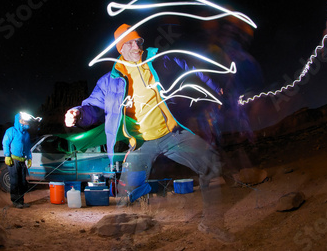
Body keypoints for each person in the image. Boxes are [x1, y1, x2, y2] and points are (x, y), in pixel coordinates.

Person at [65, 24, 234, 243]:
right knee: (127, 194)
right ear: (120, 48)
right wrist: (78, 113)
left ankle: (211, 223)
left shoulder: (159, 60)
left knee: (211, 163)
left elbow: (188, 64)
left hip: (172, 133)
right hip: (140, 143)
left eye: (139, 41)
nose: (137, 46)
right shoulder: (109, 81)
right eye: (130, 43)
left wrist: (213, 84)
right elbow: (94, 107)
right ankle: (125, 244)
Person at [2, 112, 33, 208]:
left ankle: (21, 201)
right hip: (13, 160)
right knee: (15, 181)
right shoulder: (11, 131)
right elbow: (5, 143)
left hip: (22, 160)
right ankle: (15, 201)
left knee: (22, 182)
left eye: (26, 120)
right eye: (23, 120)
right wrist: (7, 155)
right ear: (18, 120)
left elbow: (28, 147)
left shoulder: (26, 134)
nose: (25, 122)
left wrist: (29, 158)